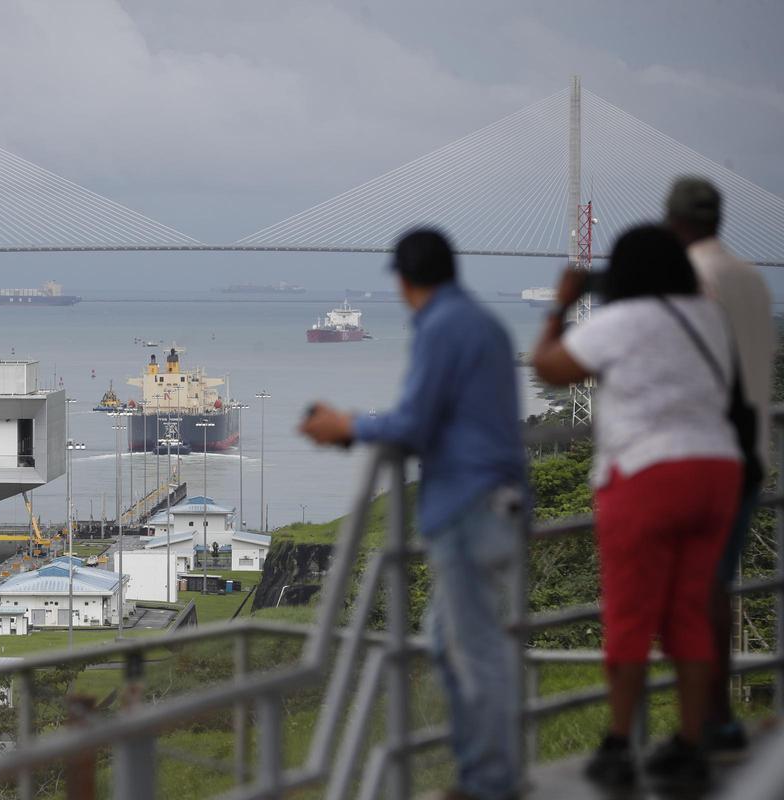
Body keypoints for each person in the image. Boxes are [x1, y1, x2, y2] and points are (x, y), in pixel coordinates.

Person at [302, 228, 526, 800]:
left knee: (471, 651)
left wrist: (347, 425)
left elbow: (415, 421)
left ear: (404, 281)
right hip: (497, 498)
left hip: (469, 504)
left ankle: (491, 783)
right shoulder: (484, 323)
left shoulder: (441, 326)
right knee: (453, 641)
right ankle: (484, 776)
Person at [532, 225, 742, 789]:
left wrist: (562, 305)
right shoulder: (709, 318)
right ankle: (691, 745)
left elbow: (549, 367)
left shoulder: (620, 321)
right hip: (717, 472)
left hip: (647, 477)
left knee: (630, 615)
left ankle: (620, 744)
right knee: (690, 612)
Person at [665, 177, 775, 754]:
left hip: (706, 455)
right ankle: (717, 716)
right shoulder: (753, 279)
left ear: (675, 223)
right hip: (751, 452)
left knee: (696, 593)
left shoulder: (691, 278)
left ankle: (706, 723)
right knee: (717, 587)